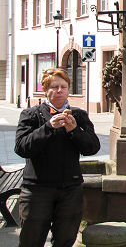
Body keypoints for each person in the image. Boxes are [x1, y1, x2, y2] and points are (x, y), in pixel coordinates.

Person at [15, 68, 101, 247]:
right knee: (31, 240)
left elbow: (92, 147)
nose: (59, 90)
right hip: (38, 189)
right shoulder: (31, 114)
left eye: (63, 86)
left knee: (65, 240)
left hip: (70, 188)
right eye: (54, 87)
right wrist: (48, 128)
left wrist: (74, 131)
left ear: (69, 89)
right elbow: (22, 147)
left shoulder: (78, 115)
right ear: (46, 90)